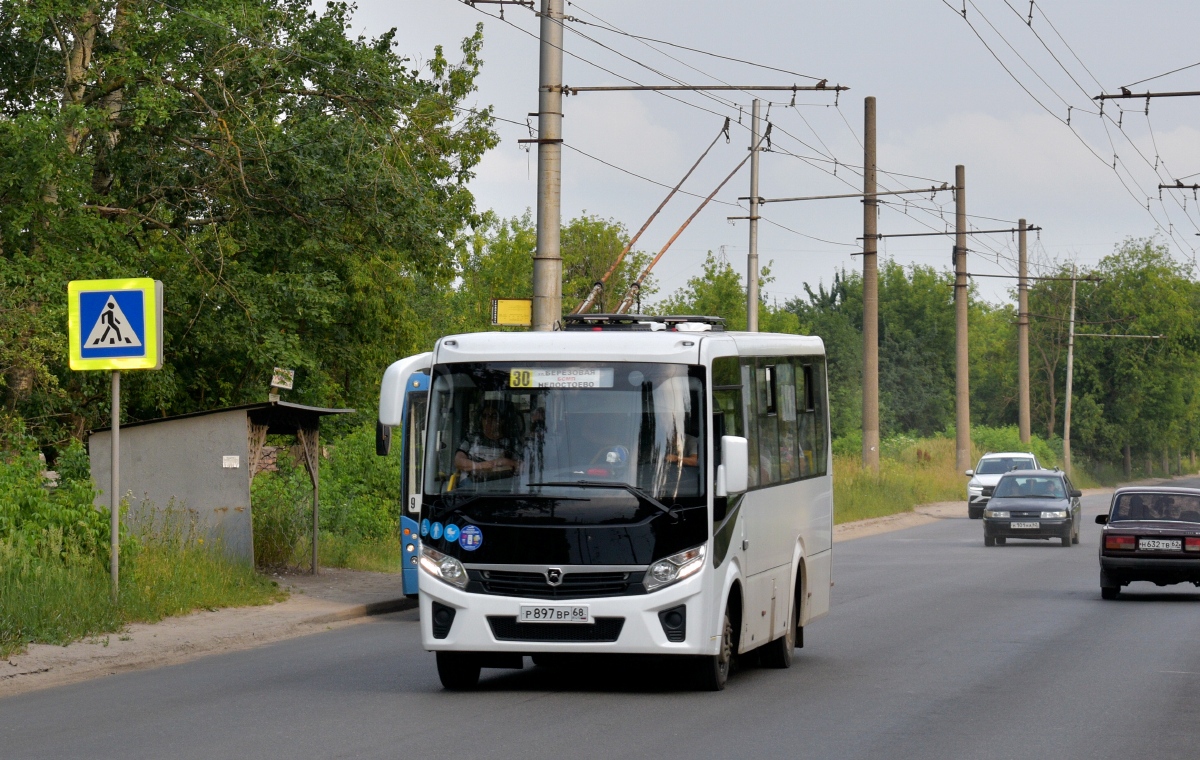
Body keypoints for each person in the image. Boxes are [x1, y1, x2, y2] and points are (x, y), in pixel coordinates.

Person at [455, 402, 521, 480]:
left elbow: (521, 466)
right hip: (470, 484)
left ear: (502, 420)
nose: (488, 420)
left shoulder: (511, 443)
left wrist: (507, 462)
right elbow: (459, 461)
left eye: (493, 416)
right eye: (484, 416)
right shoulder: (471, 439)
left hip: (500, 484)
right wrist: (488, 465)